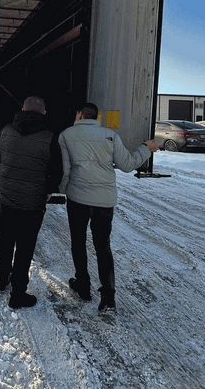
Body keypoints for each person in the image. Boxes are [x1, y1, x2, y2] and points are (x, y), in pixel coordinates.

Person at [58, 102, 158, 312]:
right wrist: (145, 149)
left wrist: (62, 189)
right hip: (105, 201)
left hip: (78, 198)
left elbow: (66, 170)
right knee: (102, 246)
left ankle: (83, 286)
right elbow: (128, 165)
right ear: (97, 117)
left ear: (79, 115)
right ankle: (108, 297)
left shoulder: (66, 135)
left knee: (78, 242)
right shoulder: (110, 136)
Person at [0, 96, 62, 308]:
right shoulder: (50, 138)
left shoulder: (5, 131)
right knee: (25, 247)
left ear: (22, 109)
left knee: (5, 240)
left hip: (7, 198)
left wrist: (3, 179)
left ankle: (3, 279)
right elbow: (57, 170)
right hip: (32, 204)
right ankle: (18, 293)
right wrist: (49, 190)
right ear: (44, 114)